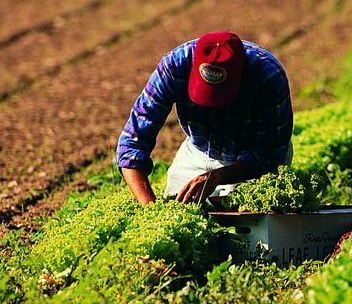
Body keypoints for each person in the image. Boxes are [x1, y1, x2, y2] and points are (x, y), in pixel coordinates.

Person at [116, 30, 293, 205]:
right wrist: (150, 209)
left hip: (251, 161)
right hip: (198, 152)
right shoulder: (175, 66)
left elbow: (270, 154)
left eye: (221, 97)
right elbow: (133, 141)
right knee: (178, 206)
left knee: (245, 225)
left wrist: (219, 176)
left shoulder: (269, 77)